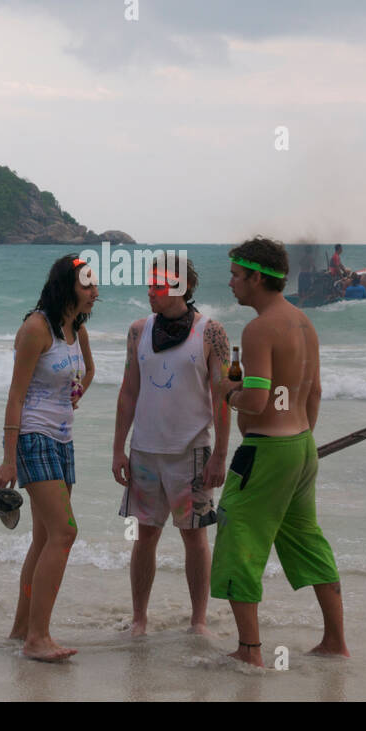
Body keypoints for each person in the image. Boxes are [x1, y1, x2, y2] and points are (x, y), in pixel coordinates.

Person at [211, 236, 348, 666]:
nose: (230, 282)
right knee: (307, 540)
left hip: (267, 450)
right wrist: (300, 439)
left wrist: (226, 392)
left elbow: (256, 400)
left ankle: (249, 651)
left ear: (256, 277)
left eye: (236, 275)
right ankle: (334, 642)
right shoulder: (305, 323)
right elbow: (316, 392)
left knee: (237, 535)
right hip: (302, 446)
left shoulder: (259, 329)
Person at [112, 257, 230, 636]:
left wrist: (221, 456)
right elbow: (128, 392)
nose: (149, 291)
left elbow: (222, 399)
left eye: (157, 286)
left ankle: (198, 620)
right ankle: (139, 619)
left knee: (194, 538)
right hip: (145, 451)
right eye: (149, 284)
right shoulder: (137, 331)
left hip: (192, 452)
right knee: (145, 535)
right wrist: (118, 449)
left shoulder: (210, 333)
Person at [0, 255, 97, 661]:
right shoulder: (37, 328)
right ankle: (38, 639)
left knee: (44, 537)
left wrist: (78, 391)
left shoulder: (76, 328)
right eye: (87, 284)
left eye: (95, 284)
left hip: (63, 439)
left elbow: (88, 371)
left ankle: (22, 630)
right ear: (67, 285)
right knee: (65, 533)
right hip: (33, 438)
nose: (95, 291)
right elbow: (16, 395)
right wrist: (8, 459)